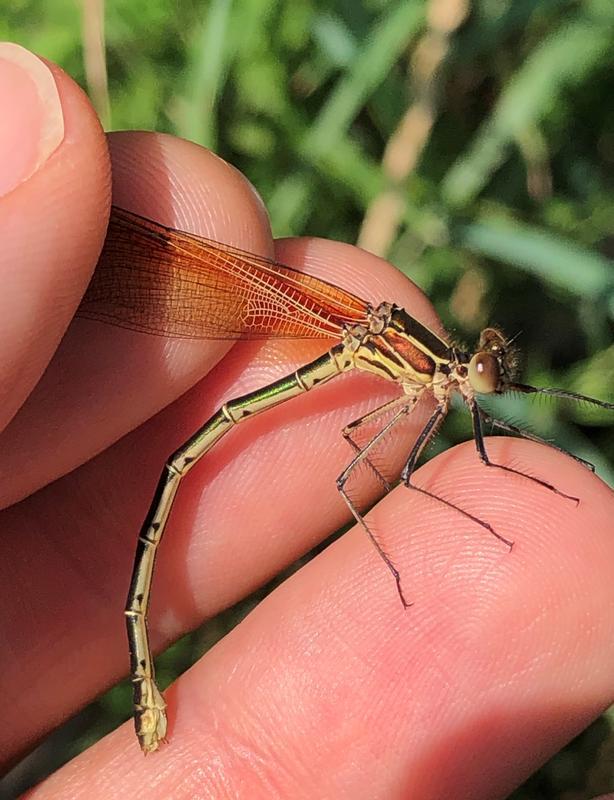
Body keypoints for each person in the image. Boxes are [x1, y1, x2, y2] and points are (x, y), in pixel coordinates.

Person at [1, 42, 613, 799]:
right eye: (481, 375)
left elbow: (368, 447)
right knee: (328, 470)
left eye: (484, 376)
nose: (480, 387)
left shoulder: (425, 380)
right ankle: (143, 665)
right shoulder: (422, 374)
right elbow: (363, 469)